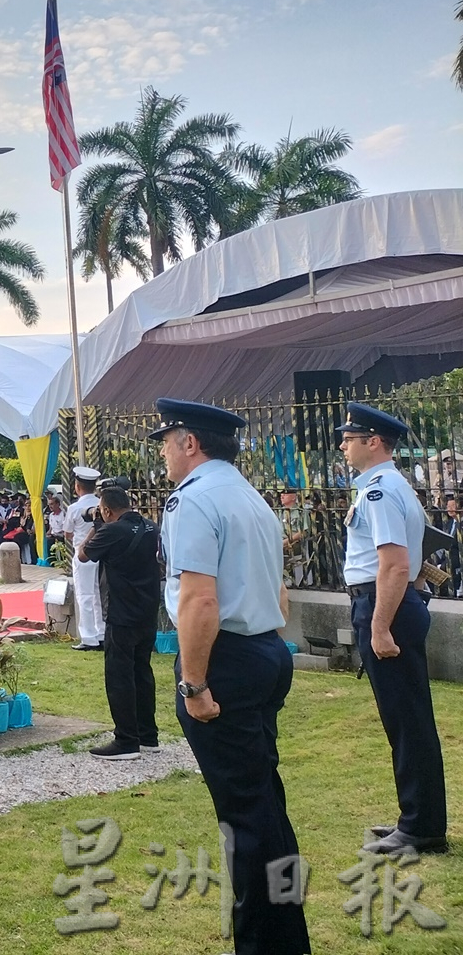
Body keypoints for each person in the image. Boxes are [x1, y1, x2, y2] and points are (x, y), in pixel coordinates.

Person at [155, 398, 310, 955]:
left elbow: (199, 601)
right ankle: (287, 936)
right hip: (265, 650)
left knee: (247, 818)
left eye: (167, 441)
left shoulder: (193, 501)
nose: (164, 453)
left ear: (189, 443)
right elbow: (281, 595)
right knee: (264, 803)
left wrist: (194, 684)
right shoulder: (250, 498)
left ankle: (268, 944)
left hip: (228, 662)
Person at [336, 402, 449, 855]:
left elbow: (395, 565)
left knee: (407, 721)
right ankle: (417, 818)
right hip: (394, 605)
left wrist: (381, 627)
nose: (343, 445)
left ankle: (421, 828)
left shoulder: (380, 489)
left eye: (350, 438)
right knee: (407, 719)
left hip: (386, 607)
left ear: (373, 441)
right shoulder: (388, 486)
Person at [77, 479, 161, 759]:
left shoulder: (111, 531)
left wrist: (97, 527)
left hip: (121, 612)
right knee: (142, 672)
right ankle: (148, 734)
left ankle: (126, 740)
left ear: (107, 510)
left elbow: (83, 555)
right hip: (148, 610)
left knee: (119, 676)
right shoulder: (151, 527)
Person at [62, 466, 103, 651]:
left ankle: (88, 637)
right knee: (98, 594)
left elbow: (67, 533)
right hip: (102, 551)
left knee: (84, 595)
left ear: (77, 486)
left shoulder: (74, 508)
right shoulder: (102, 503)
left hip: (83, 552)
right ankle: (100, 633)